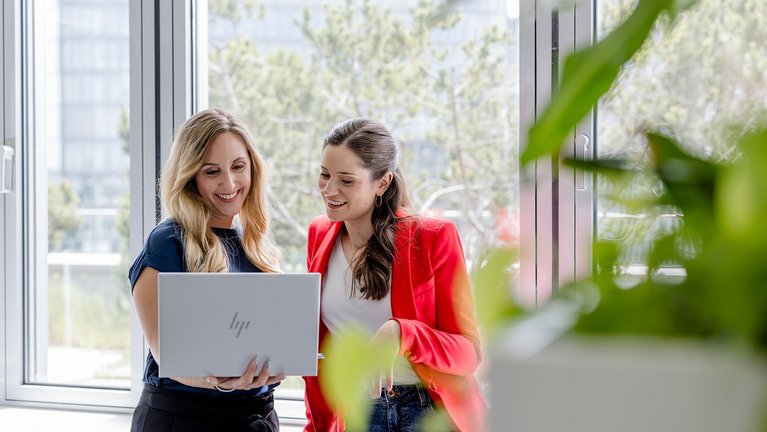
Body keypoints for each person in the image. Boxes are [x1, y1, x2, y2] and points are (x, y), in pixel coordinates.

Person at [303, 118, 486, 432]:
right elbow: (318, 353)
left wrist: (404, 334)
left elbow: (469, 355)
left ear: (383, 183)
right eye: (324, 175)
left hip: (426, 413)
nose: (329, 189)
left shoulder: (433, 237)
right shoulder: (319, 233)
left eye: (347, 180)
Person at [130, 108, 285, 431]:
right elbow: (166, 357)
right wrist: (223, 381)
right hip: (185, 419)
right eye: (212, 171)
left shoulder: (256, 242)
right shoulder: (167, 242)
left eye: (238, 167)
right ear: (191, 177)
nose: (229, 183)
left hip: (256, 415)